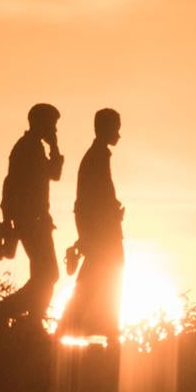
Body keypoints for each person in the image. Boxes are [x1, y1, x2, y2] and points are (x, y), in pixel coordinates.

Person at [58, 108, 125, 340]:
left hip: (101, 231)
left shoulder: (97, 156)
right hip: (102, 233)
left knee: (99, 278)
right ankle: (85, 328)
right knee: (98, 279)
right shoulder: (96, 157)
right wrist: (100, 225)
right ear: (105, 128)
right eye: (116, 127)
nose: (119, 133)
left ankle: (104, 329)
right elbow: (90, 200)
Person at [0, 103, 65, 325]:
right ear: (41, 123)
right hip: (30, 221)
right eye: (52, 125)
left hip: (38, 220)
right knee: (48, 274)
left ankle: (32, 320)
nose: (54, 129)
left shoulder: (36, 147)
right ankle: (7, 309)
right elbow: (10, 184)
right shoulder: (25, 148)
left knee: (43, 274)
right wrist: (9, 219)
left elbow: (54, 174)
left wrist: (54, 146)